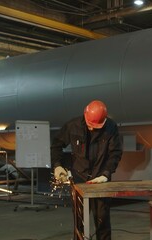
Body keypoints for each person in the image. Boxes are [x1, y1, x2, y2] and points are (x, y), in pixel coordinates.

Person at [51, 100, 123, 240]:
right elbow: (56, 145)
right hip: (79, 179)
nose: (91, 128)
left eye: (95, 126)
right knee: (79, 222)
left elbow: (115, 153)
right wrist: (57, 165)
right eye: (90, 124)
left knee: (102, 221)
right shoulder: (73, 126)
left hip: (100, 181)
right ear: (85, 114)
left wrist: (106, 174)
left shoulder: (110, 128)